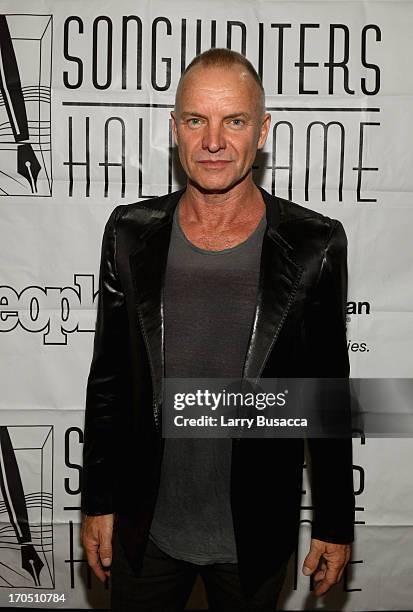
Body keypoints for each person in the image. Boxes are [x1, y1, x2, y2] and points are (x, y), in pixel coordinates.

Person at [80, 48, 355, 611]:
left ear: (262, 132)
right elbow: (108, 382)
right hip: (145, 531)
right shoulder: (130, 233)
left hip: (252, 539)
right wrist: (97, 500)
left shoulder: (313, 245)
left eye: (234, 120)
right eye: (196, 120)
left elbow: (325, 394)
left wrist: (335, 522)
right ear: (175, 129)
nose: (213, 141)